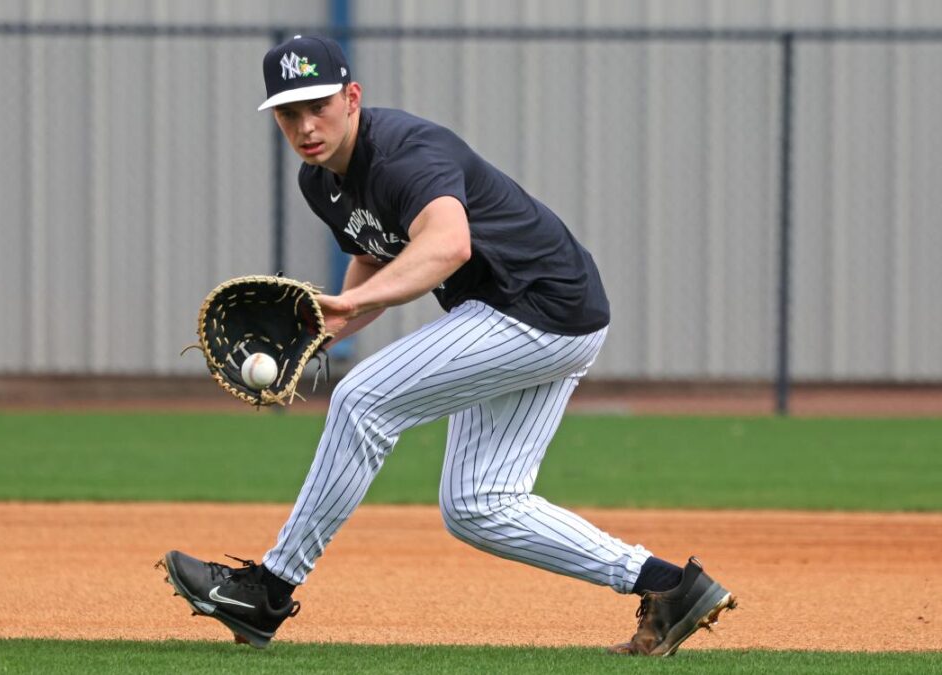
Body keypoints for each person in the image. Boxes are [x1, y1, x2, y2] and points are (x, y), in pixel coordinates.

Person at [161, 34, 735, 656]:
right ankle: (671, 587)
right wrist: (332, 326)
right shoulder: (319, 180)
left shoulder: (406, 154)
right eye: (288, 112)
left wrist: (353, 306)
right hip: (543, 312)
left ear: (352, 98)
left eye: (318, 105)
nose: (305, 125)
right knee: (478, 505)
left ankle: (268, 591)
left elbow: (447, 245)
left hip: (537, 304)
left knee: (362, 399)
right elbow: (370, 249)